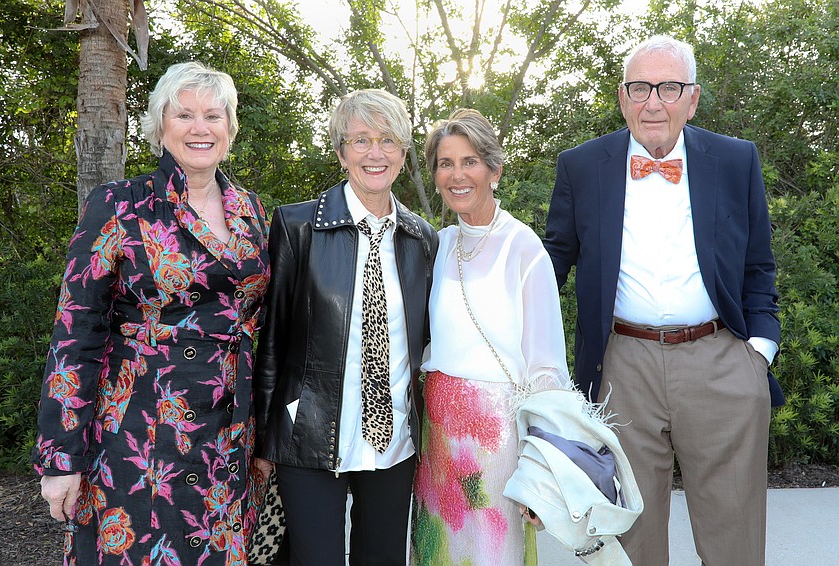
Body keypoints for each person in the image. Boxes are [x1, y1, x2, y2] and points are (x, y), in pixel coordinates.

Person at [543, 35, 781, 565]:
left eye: (669, 88)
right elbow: (551, 264)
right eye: (640, 88)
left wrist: (759, 351)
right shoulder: (582, 166)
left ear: (692, 99)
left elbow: (758, 266)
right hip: (622, 368)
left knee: (734, 537)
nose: (654, 102)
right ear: (623, 98)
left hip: (721, 362)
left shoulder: (735, 160)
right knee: (631, 538)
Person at [32, 61, 271, 564]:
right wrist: (60, 457)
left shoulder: (251, 210)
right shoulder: (120, 205)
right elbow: (76, 330)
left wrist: (267, 439)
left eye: (213, 115)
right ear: (160, 124)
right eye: (184, 114)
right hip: (138, 430)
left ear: (230, 127)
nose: (200, 128)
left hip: (227, 434)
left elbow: (266, 323)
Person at [252, 88, 438, 566]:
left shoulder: (422, 238)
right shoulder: (297, 227)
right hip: (308, 437)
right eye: (360, 141)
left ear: (402, 152)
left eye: (387, 140)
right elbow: (271, 339)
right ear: (340, 152)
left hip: (392, 442)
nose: (375, 153)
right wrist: (264, 439)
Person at [411, 108, 570, 565]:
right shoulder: (437, 246)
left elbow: (546, 369)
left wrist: (542, 470)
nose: (457, 175)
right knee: (438, 552)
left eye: (470, 162)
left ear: (494, 170)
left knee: (493, 553)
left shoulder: (524, 249)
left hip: (499, 438)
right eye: (446, 163)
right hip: (437, 434)